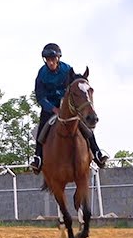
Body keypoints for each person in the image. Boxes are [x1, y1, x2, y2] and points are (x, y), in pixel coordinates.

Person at [30, 43, 109, 173]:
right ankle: (38, 157)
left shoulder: (67, 70)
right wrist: (52, 109)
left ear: (58, 58)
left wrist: (67, 104)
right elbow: (40, 97)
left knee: (83, 124)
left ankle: (97, 153)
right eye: (48, 60)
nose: (51, 63)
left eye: (53, 59)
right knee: (42, 125)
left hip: (67, 104)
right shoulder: (41, 74)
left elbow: (75, 88)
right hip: (50, 106)